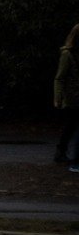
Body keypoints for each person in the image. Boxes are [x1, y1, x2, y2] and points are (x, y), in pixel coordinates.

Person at [54, 24, 79, 172]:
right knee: (71, 126)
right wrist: (58, 97)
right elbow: (60, 78)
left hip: (75, 96)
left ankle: (62, 152)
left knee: (71, 126)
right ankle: (63, 152)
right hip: (72, 97)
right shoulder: (67, 55)